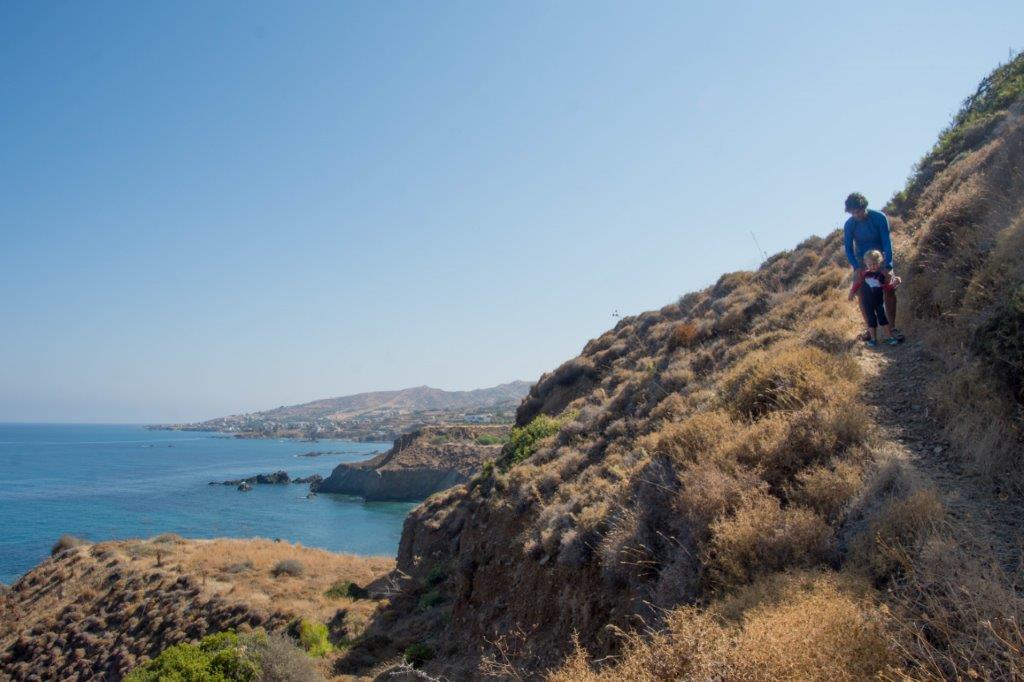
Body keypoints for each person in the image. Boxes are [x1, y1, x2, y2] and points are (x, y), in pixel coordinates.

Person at [843, 192, 905, 342]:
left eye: (858, 211)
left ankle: (892, 328)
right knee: (862, 294)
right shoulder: (850, 224)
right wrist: (857, 267)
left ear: (864, 207)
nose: (855, 215)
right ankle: (870, 330)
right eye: (852, 212)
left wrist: (888, 265)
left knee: (890, 290)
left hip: (879, 258)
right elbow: (848, 249)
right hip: (862, 261)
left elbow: (886, 242)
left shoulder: (879, 218)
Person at [849, 250, 898, 346]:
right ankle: (873, 339)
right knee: (871, 320)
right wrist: (852, 292)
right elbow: (857, 284)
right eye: (870, 264)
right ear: (866, 263)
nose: (872, 266)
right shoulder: (863, 274)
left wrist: (893, 284)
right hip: (867, 303)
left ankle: (889, 337)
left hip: (879, 302)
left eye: (875, 264)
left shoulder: (881, 276)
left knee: (883, 319)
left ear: (879, 263)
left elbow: (886, 287)